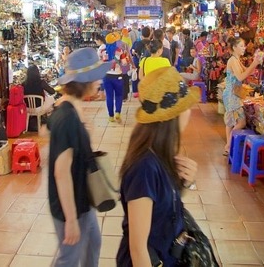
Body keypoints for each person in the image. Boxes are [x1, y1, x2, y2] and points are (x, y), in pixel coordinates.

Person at [116, 66, 200, 266]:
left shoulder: (161, 153)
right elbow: (138, 248)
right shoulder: (145, 168)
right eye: (185, 106)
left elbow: (162, 210)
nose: (189, 111)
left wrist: (183, 184)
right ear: (173, 117)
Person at [48, 48, 110, 267]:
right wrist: (71, 219)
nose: (99, 81)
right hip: (71, 204)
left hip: (83, 197)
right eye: (96, 77)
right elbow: (61, 172)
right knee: (69, 258)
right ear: (84, 81)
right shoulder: (67, 118)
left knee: (93, 244)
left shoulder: (71, 108)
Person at [222, 37, 264, 156]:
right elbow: (241, 77)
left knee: (230, 122)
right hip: (232, 95)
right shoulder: (232, 60)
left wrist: (255, 63)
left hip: (233, 93)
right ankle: (228, 145)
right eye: (241, 46)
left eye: (244, 46)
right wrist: (254, 63)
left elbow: (248, 72)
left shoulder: (237, 59)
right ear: (234, 48)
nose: (244, 48)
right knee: (241, 122)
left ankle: (228, 147)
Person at [101, 32, 125, 122]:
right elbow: (124, 63)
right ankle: (117, 112)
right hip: (118, 76)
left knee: (109, 96)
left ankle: (110, 116)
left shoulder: (102, 51)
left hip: (106, 76)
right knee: (118, 95)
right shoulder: (119, 50)